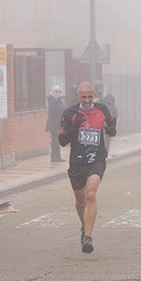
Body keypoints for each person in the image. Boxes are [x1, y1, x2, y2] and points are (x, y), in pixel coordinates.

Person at [59, 81, 117, 253]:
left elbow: (112, 120)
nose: (87, 100)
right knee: (80, 200)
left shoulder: (102, 109)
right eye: (83, 97)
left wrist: (111, 129)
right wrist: (75, 127)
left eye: (90, 97)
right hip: (77, 162)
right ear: (78, 96)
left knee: (90, 193)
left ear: (94, 95)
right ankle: (85, 226)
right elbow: (62, 141)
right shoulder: (70, 113)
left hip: (96, 160)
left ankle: (88, 237)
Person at [46, 84, 65, 162]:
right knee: (55, 141)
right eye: (56, 91)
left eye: (59, 91)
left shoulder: (57, 100)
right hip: (54, 124)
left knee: (55, 141)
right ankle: (55, 157)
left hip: (57, 123)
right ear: (53, 92)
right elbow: (59, 110)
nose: (58, 93)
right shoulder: (52, 101)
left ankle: (56, 157)